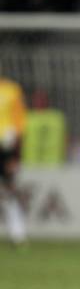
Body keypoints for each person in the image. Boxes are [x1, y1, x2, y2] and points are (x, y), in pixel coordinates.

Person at [0, 75, 27, 246]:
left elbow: (20, 120)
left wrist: (16, 152)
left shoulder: (12, 90)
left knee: (10, 189)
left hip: (6, 146)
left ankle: (17, 232)